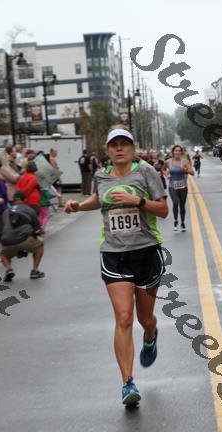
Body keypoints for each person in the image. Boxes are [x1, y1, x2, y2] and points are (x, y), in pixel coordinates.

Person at [65, 126, 168, 408]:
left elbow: (163, 210)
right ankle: (127, 383)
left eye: (124, 144)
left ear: (133, 148)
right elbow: (98, 200)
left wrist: (138, 201)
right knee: (123, 318)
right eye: (114, 145)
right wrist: (77, 206)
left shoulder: (146, 172)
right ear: (108, 150)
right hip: (114, 253)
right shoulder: (101, 175)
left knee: (145, 318)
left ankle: (150, 335)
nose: (119, 148)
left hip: (146, 252)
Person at [0, 190, 45, 282]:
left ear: (13, 200)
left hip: (7, 241)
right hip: (25, 239)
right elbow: (37, 229)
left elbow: (1, 229)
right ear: (25, 200)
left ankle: (9, 269)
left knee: (3, 254)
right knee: (40, 245)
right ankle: (35, 270)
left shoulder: (5, 212)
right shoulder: (29, 209)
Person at [163, 145, 194, 232]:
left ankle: (183, 223)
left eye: (179, 151)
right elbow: (163, 169)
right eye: (176, 151)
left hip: (183, 186)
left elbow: (192, 173)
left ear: (181, 152)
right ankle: (176, 221)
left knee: (182, 205)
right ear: (173, 152)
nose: (177, 152)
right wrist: (167, 175)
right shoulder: (168, 162)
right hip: (172, 186)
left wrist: (185, 169)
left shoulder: (185, 162)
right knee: (175, 202)